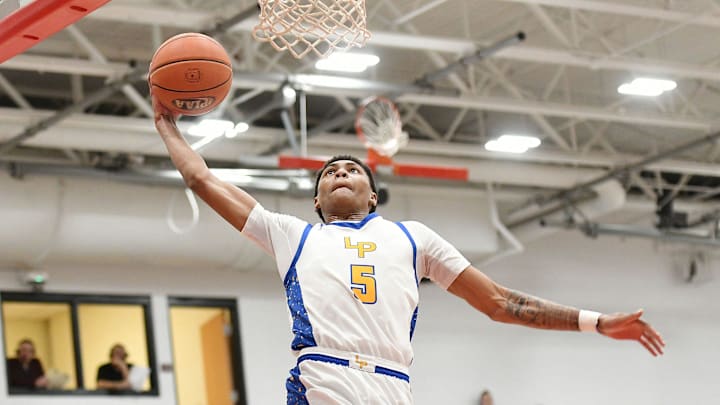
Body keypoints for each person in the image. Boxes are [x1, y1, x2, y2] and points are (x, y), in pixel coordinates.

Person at [152, 96, 665, 404]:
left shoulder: (413, 237)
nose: (341, 172)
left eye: (353, 168)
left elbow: (503, 304)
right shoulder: (293, 235)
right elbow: (201, 179)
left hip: (393, 386)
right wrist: (166, 126)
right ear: (316, 199)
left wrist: (596, 322)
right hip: (323, 378)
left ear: (373, 194)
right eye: (330, 171)